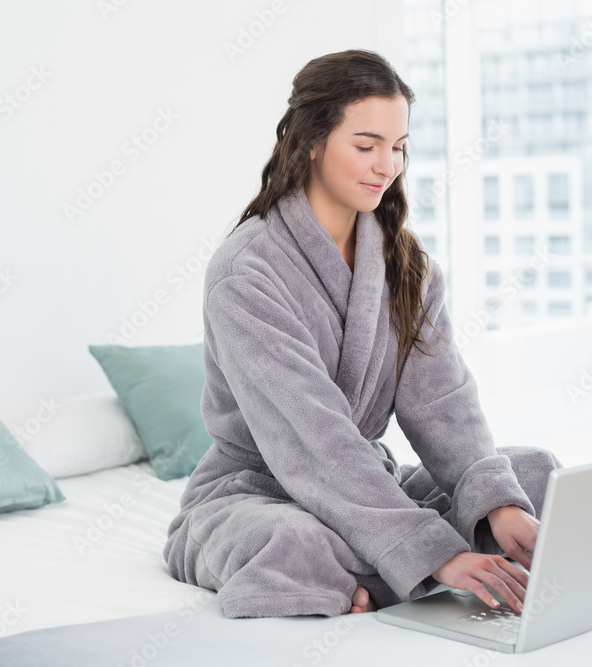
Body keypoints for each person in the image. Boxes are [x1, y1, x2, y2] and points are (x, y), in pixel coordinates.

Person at [163, 49, 562, 618]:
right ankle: (401, 566)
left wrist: (496, 504)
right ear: (312, 141)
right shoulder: (245, 274)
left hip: (365, 485)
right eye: (367, 145)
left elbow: (443, 403)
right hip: (260, 492)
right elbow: (316, 437)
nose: (387, 165)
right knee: (295, 546)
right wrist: (435, 552)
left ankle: (374, 575)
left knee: (532, 476)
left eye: (398, 148)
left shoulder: (407, 265)